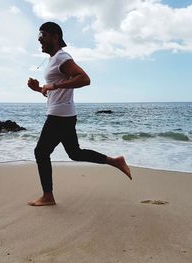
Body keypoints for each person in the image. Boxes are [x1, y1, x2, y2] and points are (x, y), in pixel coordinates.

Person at [27, 22, 131, 206]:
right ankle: (115, 161)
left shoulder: (62, 57)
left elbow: (84, 79)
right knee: (74, 153)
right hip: (63, 113)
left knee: (41, 152)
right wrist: (39, 89)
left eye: (43, 35)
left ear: (54, 36)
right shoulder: (53, 60)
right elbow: (56, 90)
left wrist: (54, 85)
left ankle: (48, 196)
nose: (39, 39)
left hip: (60, 116)